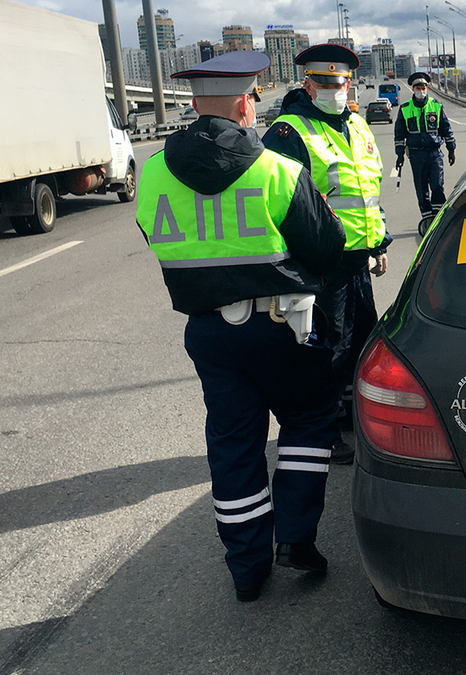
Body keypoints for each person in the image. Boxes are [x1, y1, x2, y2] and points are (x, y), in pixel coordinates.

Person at [135, 52, 348, 602]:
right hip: (281, 328)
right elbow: (326, 247)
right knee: (309, 418)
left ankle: (247, 568)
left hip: (210, 336)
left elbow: (155, 240)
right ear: (242, 103)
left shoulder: (153, 170)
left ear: (194, 104)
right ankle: (297, 538)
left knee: (233, 445)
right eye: (253, 98)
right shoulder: (276, 169)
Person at [262, 44, 389, 462]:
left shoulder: (357, 125)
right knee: (325, 351)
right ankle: (321, 430)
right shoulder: (289, 131)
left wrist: (379, 242)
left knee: (362, 344)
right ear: (308, 84)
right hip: (321, 264)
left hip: (357, 262)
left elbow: (367, 189)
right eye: (325, 83)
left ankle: (350, 417)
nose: (335, 89)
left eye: (341, 82)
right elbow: (279, 204)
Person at [394, 72, 456, 220]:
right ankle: (427, 220)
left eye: (423, 87)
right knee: (421, 190)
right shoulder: (405, 109)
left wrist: (451, 149)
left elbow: (446, 129)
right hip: (416, 155)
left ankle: (438, 219)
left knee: (437, 186)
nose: (420, 90)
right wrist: (399, 155)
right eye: (417, 87)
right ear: (413, 89)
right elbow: (399, 134)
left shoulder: (436, 106)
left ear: (427, 88)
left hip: (434, 153)